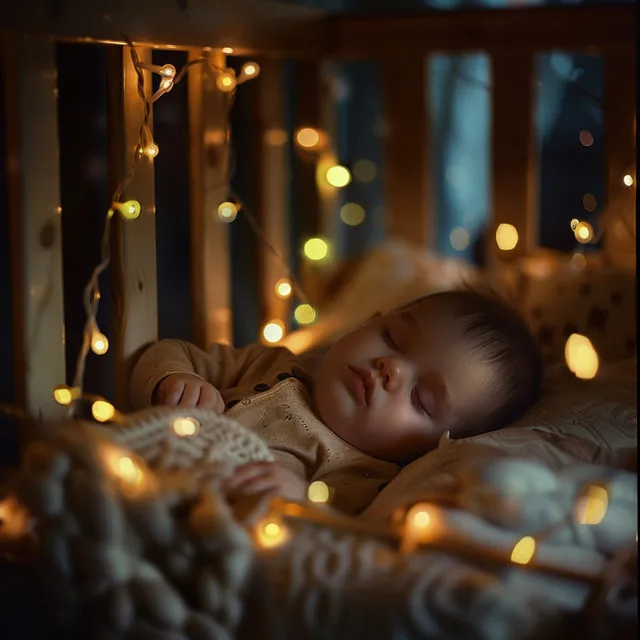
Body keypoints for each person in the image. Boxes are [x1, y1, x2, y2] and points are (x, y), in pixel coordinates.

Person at [130, 289, 542, 515]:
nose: (391, 369)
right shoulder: (271, 364)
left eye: (421, 397)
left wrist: (300, 503)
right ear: (369, 321)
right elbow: (169, 352)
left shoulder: (363, 478)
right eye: (394, 339)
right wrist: (174, 379)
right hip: (133, 466)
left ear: (435, 445)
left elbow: (338, 542)